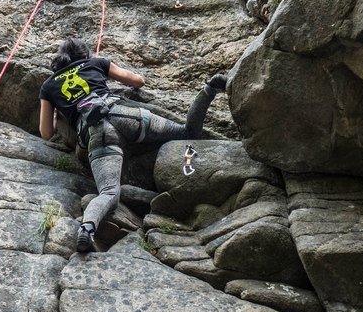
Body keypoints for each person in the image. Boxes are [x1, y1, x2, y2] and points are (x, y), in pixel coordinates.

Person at [39, 37, 227, 252]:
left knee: (109, 192)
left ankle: (86, 230)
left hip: (97, 132)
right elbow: (137, 81)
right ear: (84, 55)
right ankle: (210, 88)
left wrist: (59, 115)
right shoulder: (97, 63)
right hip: (125, 116)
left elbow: (46, 133)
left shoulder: (49, 85)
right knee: (187, 132)